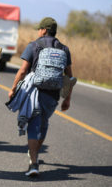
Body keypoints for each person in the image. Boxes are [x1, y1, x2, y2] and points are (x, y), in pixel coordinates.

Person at [8, 17, 74, 176]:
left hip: (35, 92)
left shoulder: (34, 45)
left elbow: (23, 70)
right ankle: (34, 154)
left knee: (33, 126)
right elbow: (69, 77)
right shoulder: (64, 49)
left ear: (44, 30)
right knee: (43, 124)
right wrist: (67, 99)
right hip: (52, 96)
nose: (38, 31)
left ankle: (34, 164)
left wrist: (13, 88)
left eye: (40, 29)